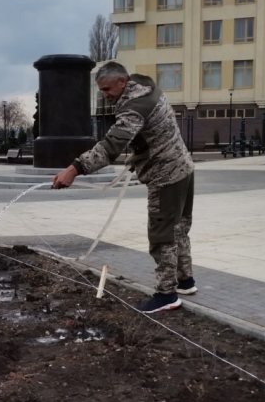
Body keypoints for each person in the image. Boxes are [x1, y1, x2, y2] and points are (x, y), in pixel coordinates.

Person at [52, 61, 195, 314]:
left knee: (162, 235)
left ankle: (166, 295)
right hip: (183, 168)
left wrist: (73, 169)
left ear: (122, 81)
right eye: (101, 91)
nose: (105, 95)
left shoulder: (134, 107)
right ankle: (185, 281)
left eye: (107, 89)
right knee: (179, 229)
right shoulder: (149, 91)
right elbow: (150, 136)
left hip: (167, 176)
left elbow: (111, 147)